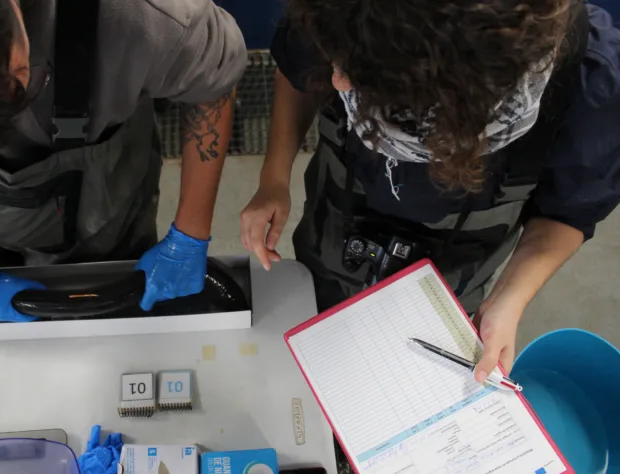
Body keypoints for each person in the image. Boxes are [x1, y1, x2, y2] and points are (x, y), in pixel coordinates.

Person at [240, 0, 620, 380]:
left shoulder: (589, 79)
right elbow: (297, 76)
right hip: (332, 228)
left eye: (368, 75)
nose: (337, 81)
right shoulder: (346, 11)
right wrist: (273, 179)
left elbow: (567, 212)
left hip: (454, 278)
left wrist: (510, 297)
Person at [0, 0, 246, 321]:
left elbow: (210, 88)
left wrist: (189, 235)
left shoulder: (143, 16)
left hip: (105, 212)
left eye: (18, 85)